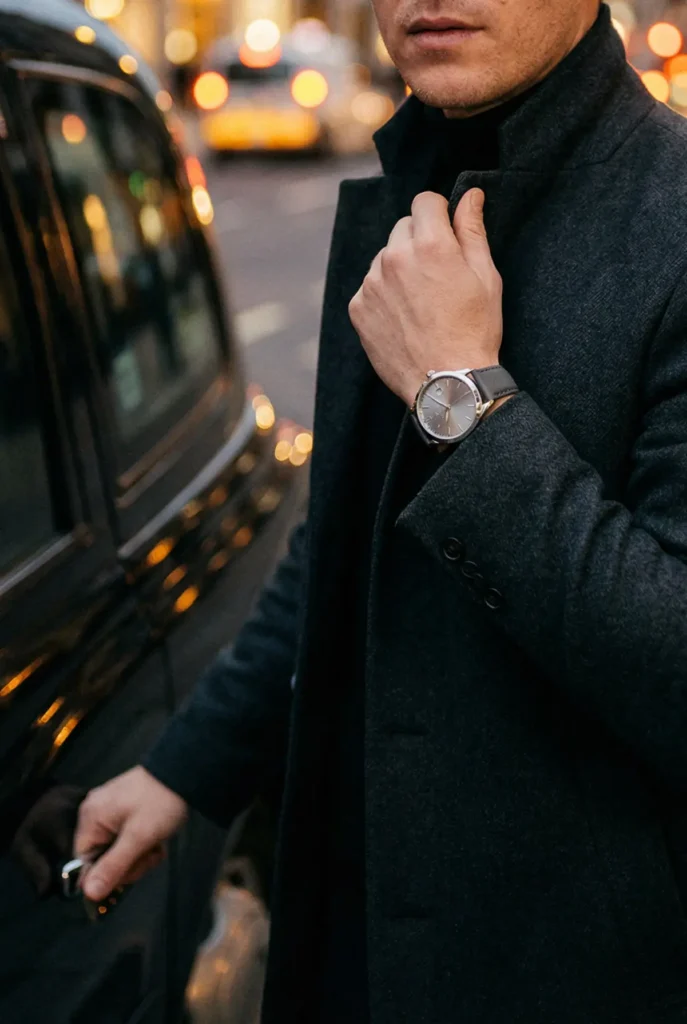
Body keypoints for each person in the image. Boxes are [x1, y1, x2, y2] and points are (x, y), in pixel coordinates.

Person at [74, 2, 687, 1021]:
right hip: (349, 950)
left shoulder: (670, 219)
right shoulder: (412, 188)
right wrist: (187, 770)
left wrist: (464, 398)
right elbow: (347, 541)